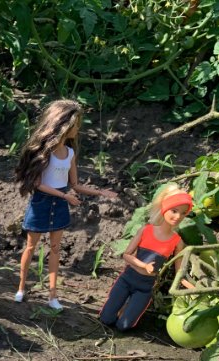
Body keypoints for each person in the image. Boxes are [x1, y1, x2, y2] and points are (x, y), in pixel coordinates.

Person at [14, 99, 118, 310]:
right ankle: (21, 288)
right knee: (31, 246)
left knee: (55, 248)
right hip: (42, 203)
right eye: (76, 123)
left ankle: (52, 295)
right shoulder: (44, 152)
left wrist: (100, 191)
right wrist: (65, 197)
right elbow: (37, 183)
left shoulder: (69, 153)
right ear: (64, 124)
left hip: (60, 203)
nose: (78, 128)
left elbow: (75, 185)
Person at [99, 184, 192, 331]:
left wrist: (190, 287)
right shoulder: (146, 230)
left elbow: (179, 270)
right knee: (106, 319)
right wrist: (144, 266)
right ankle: (121, 306)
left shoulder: (177, 241)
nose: (178, 217)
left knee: (123, 326)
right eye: (174, 211)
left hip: (145, 287)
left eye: (183, 213)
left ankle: (126, 310)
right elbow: (126, 255)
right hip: (127, 279)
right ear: (164, 208)